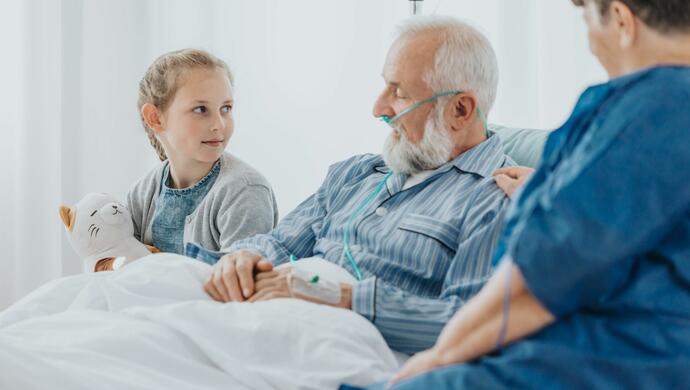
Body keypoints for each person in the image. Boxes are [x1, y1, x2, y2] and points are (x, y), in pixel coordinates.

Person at [375, 0, 690, 388]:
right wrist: (550, 192)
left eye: (586, 18)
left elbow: (542, 276)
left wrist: (438, 357)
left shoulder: (647, 107)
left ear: (622, 20)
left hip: (602, 364)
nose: (590, 41)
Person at [203, 17, 515, 355]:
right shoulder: (356, 173)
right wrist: (245, 259)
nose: (378, 108)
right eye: (385, 86)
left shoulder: (497, 197)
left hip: (342, 345)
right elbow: (279, 243)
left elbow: (471, 324)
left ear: (460, 110)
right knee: (152, 287)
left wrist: (338, 297)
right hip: (271, 313)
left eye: (399, 92)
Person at [118, 49, 278, 269]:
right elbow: (123, 268)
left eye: (226, 108)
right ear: (155, 118)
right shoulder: (142, 192)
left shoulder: (246, 191)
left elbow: (238, 284)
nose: (219, 124)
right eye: (201, 109)